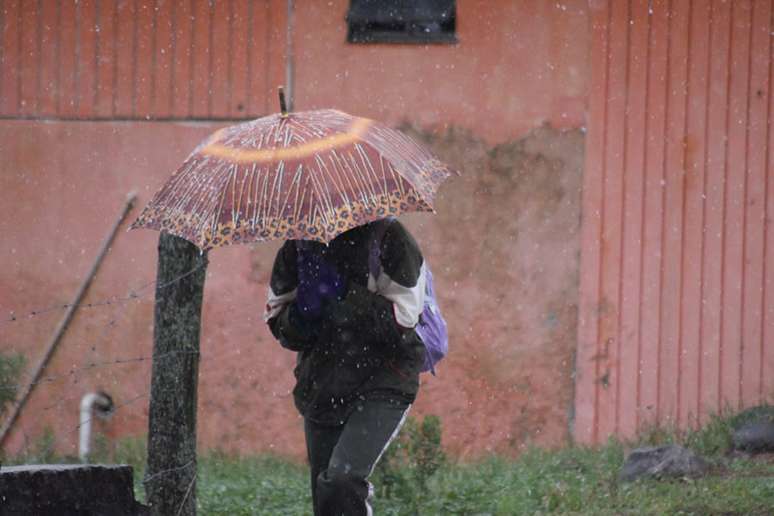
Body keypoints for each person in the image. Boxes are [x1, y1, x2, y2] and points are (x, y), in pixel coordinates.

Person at [264, 217, 427, 516]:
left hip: (385, 380)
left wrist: (345, 295)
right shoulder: (297, 247)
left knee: (341, 481)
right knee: (326, 502)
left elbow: (403, 322)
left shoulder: (390, 237)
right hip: (322, 385)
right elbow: (280, 325)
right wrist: (303, 314)